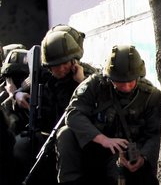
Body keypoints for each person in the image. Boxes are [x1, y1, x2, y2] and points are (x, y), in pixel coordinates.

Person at [56, 45, 161, 185]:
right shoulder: (95, 85)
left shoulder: (151, 95)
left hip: (127, 155)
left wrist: (143, 157)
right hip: (94, 149)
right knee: (65, 134)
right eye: (119, 82)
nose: (125, 87)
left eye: (130, 81)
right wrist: (102, 139)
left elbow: (156, 133)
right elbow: (73, 113)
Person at [12, 25, 97, 185]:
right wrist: (18, 95)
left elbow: (102, 99)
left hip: (76, 137)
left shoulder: (88, 75)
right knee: (19, 147)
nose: (61, 68)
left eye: (65, 63)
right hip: (44, 136)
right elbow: (18, 90)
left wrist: (81, 82)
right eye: (55, 65)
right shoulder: (41, 75)